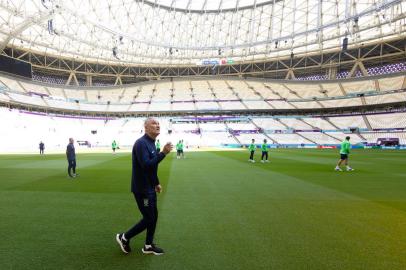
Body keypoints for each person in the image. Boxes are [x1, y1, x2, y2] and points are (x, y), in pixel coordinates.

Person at [116, 118, 173, 255]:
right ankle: (124, 237)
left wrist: (156, 183)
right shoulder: (141, 143)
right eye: (154, 123)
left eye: (158, 123)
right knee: (149, 218)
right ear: (146, 128)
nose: (157, 125)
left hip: (150, 188)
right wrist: (163, 153)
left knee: (154, 215)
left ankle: (148, 245)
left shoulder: (152, 143)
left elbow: (152, 169)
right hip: (142, 191)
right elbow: (146, 165)